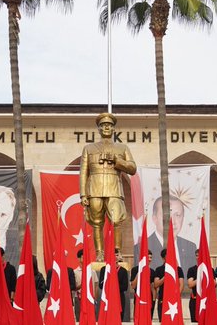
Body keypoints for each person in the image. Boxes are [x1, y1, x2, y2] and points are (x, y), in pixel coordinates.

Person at [79, 111, 137, 260]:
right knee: (97, 223)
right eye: (103, 125)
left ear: (113, 129)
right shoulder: (88, 148)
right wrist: (83, 194)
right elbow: (83, 172)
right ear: (98, 129)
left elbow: (132, 168)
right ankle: (100, 253)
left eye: (109, 125)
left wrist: (118, 161)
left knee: (117, 220)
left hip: (114, 189)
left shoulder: (122, 148)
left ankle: (117, 252)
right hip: (94, 190)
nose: (106, 127)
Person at [144, 195, 198, 271]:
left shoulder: (190, 246)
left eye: (178, 215)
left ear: (183, 218)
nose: (172, 222)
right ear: (154, 218)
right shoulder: (144, 245)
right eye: (166, 216)